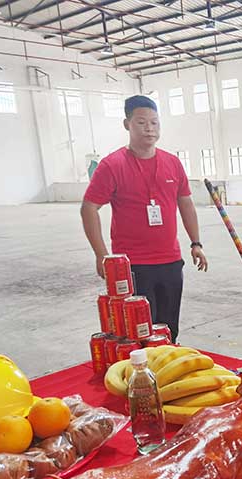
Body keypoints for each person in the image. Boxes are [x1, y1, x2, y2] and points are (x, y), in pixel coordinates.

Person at [81, 95, 208, 342]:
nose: (149, 128)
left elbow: (185, 203)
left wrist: (196, 243)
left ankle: (167, 361)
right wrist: (102, 255)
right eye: (141, 122)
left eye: (154, 122)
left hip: (170, 262)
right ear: (126, 124)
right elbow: (89, 208)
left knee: (168, 329)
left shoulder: (172, 163)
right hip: (133, 265)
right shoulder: (112, 165)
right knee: (137, 332)